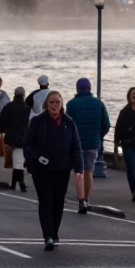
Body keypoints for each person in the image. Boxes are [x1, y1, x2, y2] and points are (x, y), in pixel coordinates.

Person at [23, 90, 84, 251]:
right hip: (41, 170)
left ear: (62, 104)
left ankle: (54, 233)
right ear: (46, 105)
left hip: (62, 169)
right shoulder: (37, 121)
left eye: (57, 102)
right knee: (46, 202)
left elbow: (76, 147)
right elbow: (28, 145)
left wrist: (79, 168)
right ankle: (48, 236)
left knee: (58, 203)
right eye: (51, 102)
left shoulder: (69, 123)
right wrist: (35, 159)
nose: (55, 105)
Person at [66, 77, 109, 214]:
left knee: (79, 171)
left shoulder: (71, 104)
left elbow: (67, 124)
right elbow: (106, 125)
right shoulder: (99, 104)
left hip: (76, 143)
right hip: (93, 142)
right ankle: (86, 199)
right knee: (89, 171)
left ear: (78, 88)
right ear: (90, 88)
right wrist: (99, 135)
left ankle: (81, 199)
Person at [0, 86, 31, 191]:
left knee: (16, 160)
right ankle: (20, 182)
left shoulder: (8, 107)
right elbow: (31, 123)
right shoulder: (27, 108)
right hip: (23, 138)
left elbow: (0, 123)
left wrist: (3, 130)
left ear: (14, 95)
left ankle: (14, 183)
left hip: (10, 137)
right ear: (23, 95)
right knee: (19, 161)